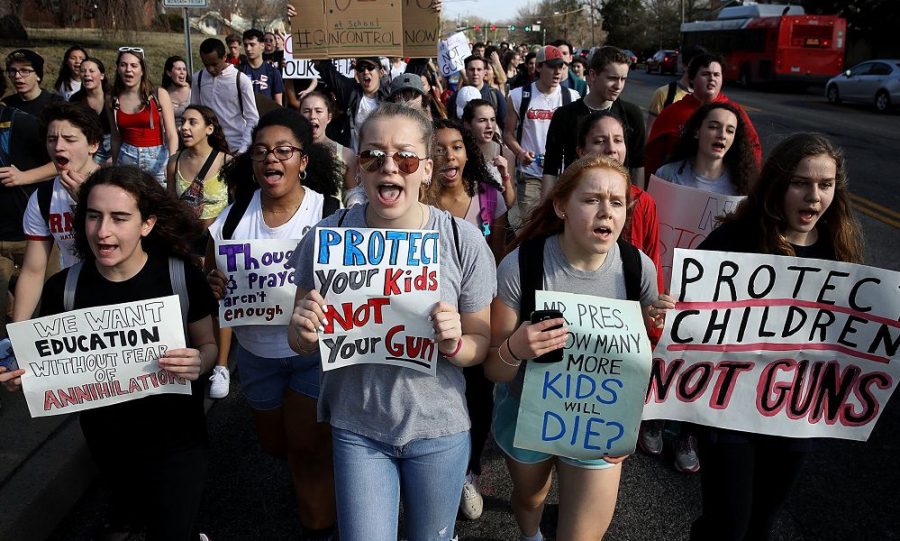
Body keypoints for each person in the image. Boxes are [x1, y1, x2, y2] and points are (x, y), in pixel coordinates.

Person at [289, 103, 496, 540]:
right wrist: (304, 331)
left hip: (438, 428)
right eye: (372, 156)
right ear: (359, 167)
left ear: (426, 169)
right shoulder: (327, 239)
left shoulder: (463, 241)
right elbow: (301, 337)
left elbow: (480, 342)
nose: (389, 167)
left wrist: (457, 342)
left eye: (404, 157)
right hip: (358, 428)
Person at [1, 165, 218, 541]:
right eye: (94, 216)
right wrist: (22, 375)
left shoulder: (181, 276)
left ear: (146, 224)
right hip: (109, 447)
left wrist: (200, 362)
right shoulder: (63, 290)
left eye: (119, 218)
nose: (103, 232)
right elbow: (48, 365)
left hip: (179, 441)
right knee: (137, 517)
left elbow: (209, 345)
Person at [485, 153, 673, 541]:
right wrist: (516, 348)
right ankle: (531, 534)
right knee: (530, 497)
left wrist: (659, 328)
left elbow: (640, 364)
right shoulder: (522, 265)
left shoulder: (639, 270)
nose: (606, 212)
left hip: (599, 423)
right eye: (591, 200)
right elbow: (494, 370)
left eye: (617, 202)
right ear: (561, 206)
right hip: (526, 414)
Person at [687, 133, 864, 540]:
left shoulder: (840, 252)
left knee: (760, 527)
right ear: (778, 183)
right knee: (726, 526)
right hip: (727, 411)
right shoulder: (733, 242)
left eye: (825, 185)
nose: (814, 197)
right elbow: (691, 317)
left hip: (793, 415)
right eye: (801, 182)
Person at [206, 109, 342, 539]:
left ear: (303, 160)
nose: (272, 160)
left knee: (305, 451)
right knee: (275, 446)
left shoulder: (331, 215)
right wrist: (214, 282)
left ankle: (323, 520)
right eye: (262, 151)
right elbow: (213, 276)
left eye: (284, 150)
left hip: (312, 355)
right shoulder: (230, 218)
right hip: (257, 357)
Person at [428, 118, 506, 521]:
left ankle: (468, 471)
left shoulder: (490, 197)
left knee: (478, 396)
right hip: (426, 325)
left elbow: (504, 250)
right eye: (438, 148)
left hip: (478, 319)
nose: (449, 156)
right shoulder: (414, 203)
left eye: (456, 146)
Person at [13, 102, 101, 323]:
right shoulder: (42, 199)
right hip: (78, 301)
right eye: (52, 139)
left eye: (69, 140)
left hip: (128, 301)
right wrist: (19, 331)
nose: (58, 147)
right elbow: (33, 271)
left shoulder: (122, 186)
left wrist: (87, 200)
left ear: (93, 145)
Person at [645, 53, 761, 185]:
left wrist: (745, 181)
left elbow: (753, 149)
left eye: (717, 75)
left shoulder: (735, 112)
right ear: (692, 78)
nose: (712, 79)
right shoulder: (672, 113)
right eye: (706, 74)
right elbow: (652, 155)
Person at [542, 46, 646, 193]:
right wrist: (546, 212)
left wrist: (635, 206)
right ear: (592, 75)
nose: (618, 86)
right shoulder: (565, 115)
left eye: (623, 79)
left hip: (618, 200)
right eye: (612, 78)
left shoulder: (632, 115)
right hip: (576, 199)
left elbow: (638, 166)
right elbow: (551, 169)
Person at [0, 76, 54, 339]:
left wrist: (24, 177)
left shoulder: (20, 122)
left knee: (42, 317)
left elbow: (62, 161)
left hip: (29, 236)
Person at [504, 45, 580, 226]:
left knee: (562, 225)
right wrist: (520, 153)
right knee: (532, 225)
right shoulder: (518, 96)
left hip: (563, 174)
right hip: (531, 175)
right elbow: (507, 133)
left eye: (561, 67)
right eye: (552, 66)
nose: (557, 72)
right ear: (538, 67)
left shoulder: (573, 97)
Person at [654, 102, 758, 196]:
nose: (722, 135)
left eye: (730, 131)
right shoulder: (667, 174)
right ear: (696, 131)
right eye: (713, 127)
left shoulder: (742, 184)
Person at [110, 47, 179, 186]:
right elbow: (115, 137)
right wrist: (114, 166)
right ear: (118, 68)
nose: (128, 69)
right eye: (123, 65)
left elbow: (172, 133)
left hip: (157, 159)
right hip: (126, 158)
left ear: (142, 70)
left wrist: (172, 163)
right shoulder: (112, 98)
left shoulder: (158, 94)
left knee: (160, 202)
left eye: (134, 65)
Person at [191, 38, 260, 154]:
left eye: (214, 64)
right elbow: (194, 112)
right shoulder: (197, 78)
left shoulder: (240, 80)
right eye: (206, 64)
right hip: (208, 147)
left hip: (236, 147)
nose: (210, 69)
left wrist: (243, 149)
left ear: (224, 57)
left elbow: (252, 118)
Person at [166, 105, 230, 229]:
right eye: (182, 122)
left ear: (209, 129)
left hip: (218, 239)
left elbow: (239, 204)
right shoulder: (174, 162)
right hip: (186, 239)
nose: (184, 127)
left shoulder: (226, 162)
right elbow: (171, 205)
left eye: (192, 123)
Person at [298, 91, 355, 203]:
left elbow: (353, 195)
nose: (312, 116)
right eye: (306, 111)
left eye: (318, 111)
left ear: (329, 117)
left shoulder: (347, 155)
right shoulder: (289, 152)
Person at [461, 99, 516, 209]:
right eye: (482, 120)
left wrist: (505, 175)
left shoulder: (505, 154)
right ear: (467, 124)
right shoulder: (460, 152)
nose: (489, 125)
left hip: (495, 221)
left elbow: (510, 202)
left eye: (493, 120)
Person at [646, 44, 706, 132]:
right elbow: (651, 131)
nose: (700, 70)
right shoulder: (663, 93)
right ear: (685, 66)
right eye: (695, 66)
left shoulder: (708, 96)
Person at [70, 57, 113, 164]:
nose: (86, 74)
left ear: (102, 75)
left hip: (115, 146)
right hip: (90, 148)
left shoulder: (114, 96)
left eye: (91, 71)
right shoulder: (75, 100)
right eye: (83, 71)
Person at [447, 55, 507, 127]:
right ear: (466, 71)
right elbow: (451, 123)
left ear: (484, 72)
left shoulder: (495, 95)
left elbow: (505, 124)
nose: (475, 73)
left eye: (479, 69)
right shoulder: (456, 97)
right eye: (471, 69)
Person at [3, 49, 64, 117]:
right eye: (13, 71)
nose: (17, 76)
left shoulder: (56, 103)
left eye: (25, 70)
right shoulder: (6, 105)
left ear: (38, 76)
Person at [241, 28, 285, 105]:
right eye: (245, 45)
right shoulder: (239, 71)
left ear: (262, 45)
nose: (248, 49)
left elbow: (279, 104)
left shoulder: (273, 72)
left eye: (252, 45)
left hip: (268, 115)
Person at [162, 56, 192, 131]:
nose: (182, 72)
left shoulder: (193, 90)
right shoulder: (162, 94)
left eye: (184, 69)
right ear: (169, 73)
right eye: (178, 69)